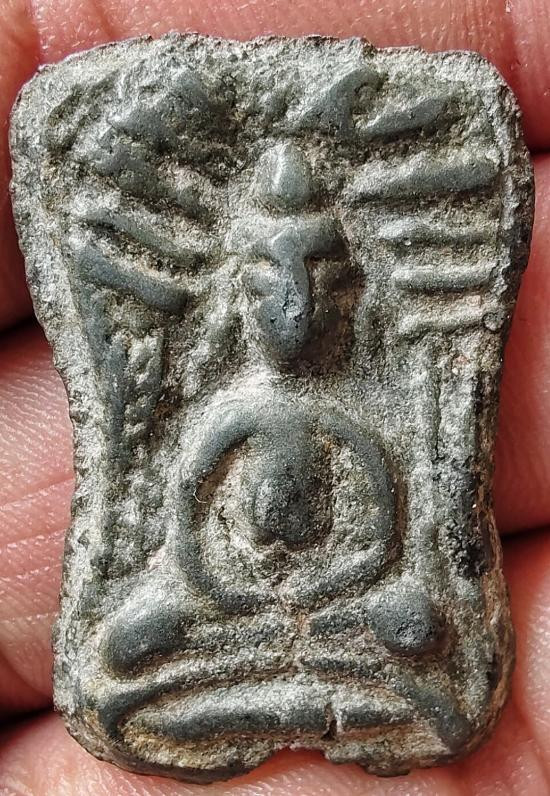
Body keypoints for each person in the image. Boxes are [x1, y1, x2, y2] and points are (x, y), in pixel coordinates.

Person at [1, 1, 549, 792]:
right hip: (225, 604)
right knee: (125, 644)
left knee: (419, 625)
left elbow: (378, 540)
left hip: (343, 605)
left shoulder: (353, 415)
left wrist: (324, 598)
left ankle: (278, 684)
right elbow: (189, 536)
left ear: (352, 293)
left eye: (320, 280)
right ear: (237, 294)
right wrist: (236, 598)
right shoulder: (230, 414)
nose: (296, 306)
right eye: (269, 282)